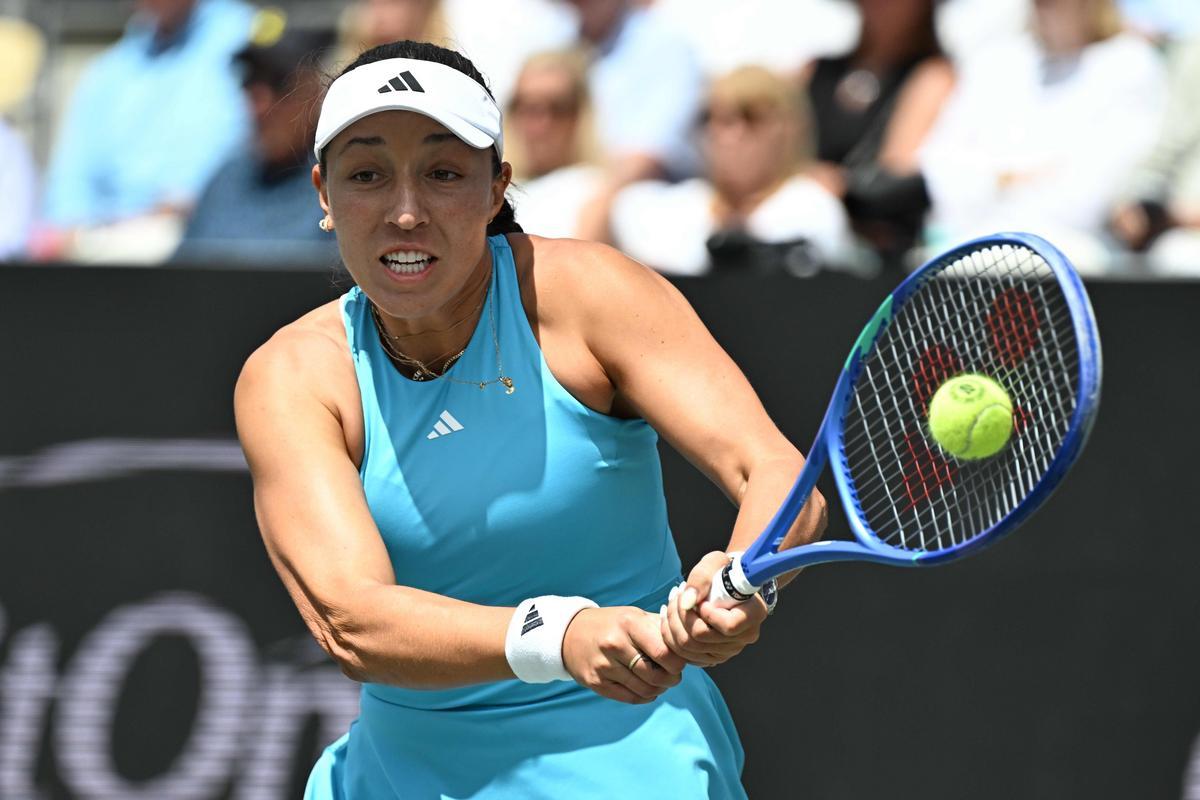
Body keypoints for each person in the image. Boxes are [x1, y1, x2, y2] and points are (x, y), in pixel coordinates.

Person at [234, 40, 826, 797]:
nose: (405, 212)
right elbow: (351, 620)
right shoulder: (293, 376)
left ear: (496, 188)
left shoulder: (588, 295)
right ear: (324, 194)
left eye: (444, 174)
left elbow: (771, 470)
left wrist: (745, 580)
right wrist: (560, 635)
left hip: (635, 766)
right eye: (367, 175)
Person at [920, 0, 1166, 273]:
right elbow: (940, 170)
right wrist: (1009, 178)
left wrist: (994, 178)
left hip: (1071, 261)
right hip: (964, 248)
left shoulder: (1131, 63)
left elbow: (1087, 198)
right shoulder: (993, 61)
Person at [39, 0, 254, 263]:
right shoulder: (110, 67)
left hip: (205, 238)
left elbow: (240, 155)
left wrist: (178, 205)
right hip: (103, 243)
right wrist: (71, 228)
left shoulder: (247, 40)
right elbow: (70, 183)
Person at [611, 66, 861, 277]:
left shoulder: (811, 206)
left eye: (751, 117)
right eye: (716, 118)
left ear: (788, 129)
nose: (730, 135)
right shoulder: (675, 208)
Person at [173, 22, 340, 267]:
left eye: (278, 82)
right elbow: (180, 275)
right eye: (249, 81)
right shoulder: (226, 180)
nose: (260, 104)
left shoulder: (344, 182)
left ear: (316, 90)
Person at [804, 0, 955, 268]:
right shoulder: (815, 71)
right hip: (802, 241)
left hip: (876, 254)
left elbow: (897, 170)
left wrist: (833, 185)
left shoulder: (933, 75)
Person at [563, 0, 705, 241]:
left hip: (643, 199)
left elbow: (651, 152)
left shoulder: (664, 45)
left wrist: (599, 204)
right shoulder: (561, 40)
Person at [506, 49, 605, 239]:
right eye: (527, 107)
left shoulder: (594, 192)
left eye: (557, 108)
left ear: (580, 115)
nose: (539, 124)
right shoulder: (491, 190)